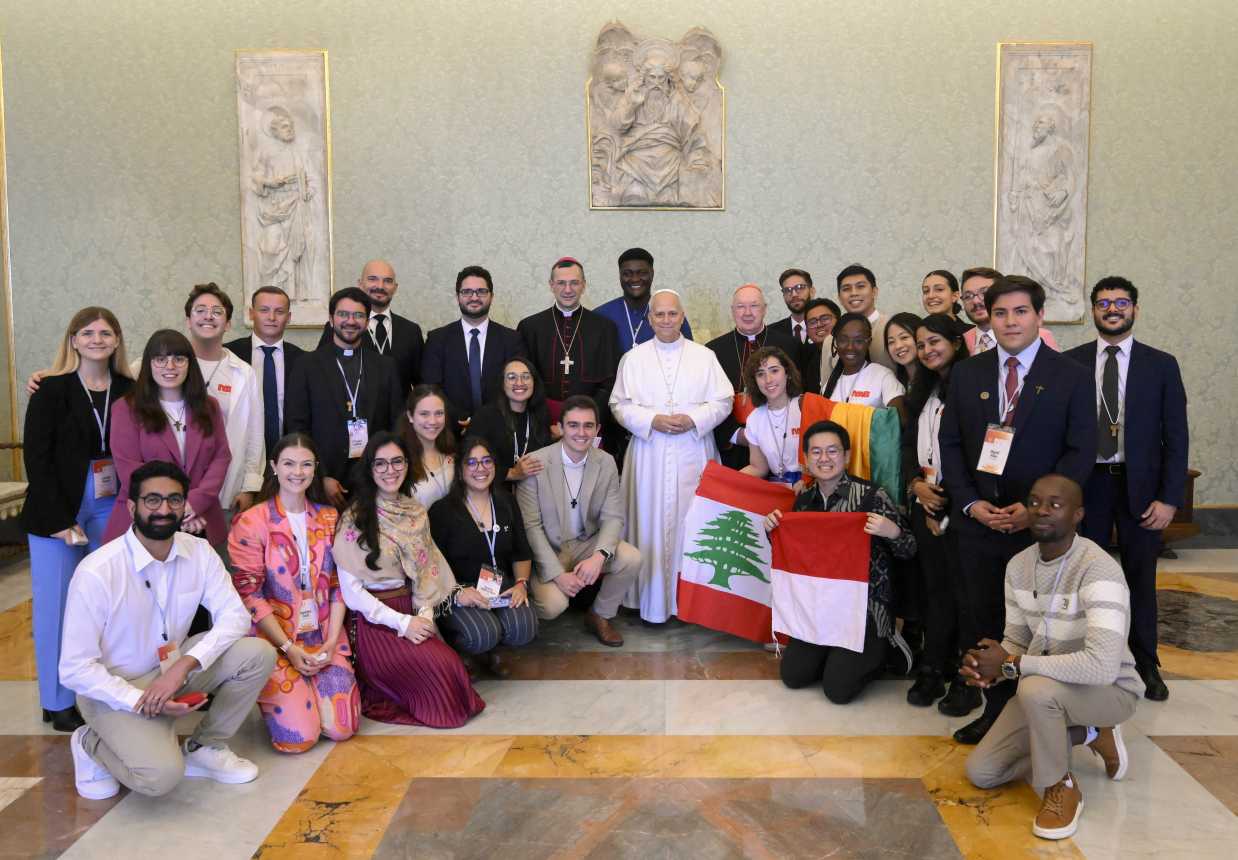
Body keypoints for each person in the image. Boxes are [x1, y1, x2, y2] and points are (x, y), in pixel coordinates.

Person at [939, 275, 1097, 745]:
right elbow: (950, 445)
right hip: (979, 524)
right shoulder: (969, 372)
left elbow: (1079, 451)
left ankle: (1048, 713)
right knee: (982, 617)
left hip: (1040, 531)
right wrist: (969, 503)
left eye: (1021, 312)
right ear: (988, 317)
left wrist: (1037, 511)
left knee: (1040, 624)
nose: (1011, 322)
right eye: (1001, 313)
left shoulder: (1069, 374)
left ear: (1039, 315)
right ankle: (995, 713)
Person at [60, 460, 276, 799]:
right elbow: (74, 670)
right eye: (153, 500)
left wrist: (181, 669)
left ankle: (206, 746)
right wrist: (140, 701)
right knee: (160, 778)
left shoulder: (199, 551)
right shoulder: (97, 572)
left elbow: (235, 616)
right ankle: (89, 742)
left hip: (171, 671)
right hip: (114, 689)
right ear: (132, 506)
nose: (164, 509)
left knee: (257, 653)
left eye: (174, 500)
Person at [962, 474, 1143, 842]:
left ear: (1078, 515)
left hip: (1110, 689)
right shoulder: (1018, 566)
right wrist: (989, 667)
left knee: (1035, 691)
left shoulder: (1099, 568)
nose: (1041, 510)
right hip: (1046, 689)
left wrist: (1013, 664)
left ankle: (1061, 787)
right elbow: (1017, 638)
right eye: (1034, 502)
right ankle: (1090, 733)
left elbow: (1102, 665)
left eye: (1055, 505)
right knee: (983, 772)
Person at [1065, 276, 1189, 702]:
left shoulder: (1161, 364)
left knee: (1140, 575)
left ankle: (1146, 662)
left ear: (1135, 309)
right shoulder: (1072, 361)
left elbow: (1176, 436)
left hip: (1141, 488)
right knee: (1086, 577)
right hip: (1088, 486)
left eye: (1121, 303)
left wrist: (1170, 497)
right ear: (1093, 310)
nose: (1112, 309)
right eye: (1103, 303)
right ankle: (1088, 656)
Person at [22, 307, 134, 732]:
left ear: (118, 340)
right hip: (59, 507)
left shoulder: (129, 388)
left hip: (112, 501)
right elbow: (38, 457)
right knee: (56, 605)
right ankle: (57, 700)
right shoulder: (50, 389)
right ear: (72, 340)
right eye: (87, 332)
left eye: (106, 332)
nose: (96, 339)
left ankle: (103, 692)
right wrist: (56, 520)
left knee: (108, 604)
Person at [333, 433, 484, 727]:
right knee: (440, 669)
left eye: (397, 461)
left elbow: (426, 573)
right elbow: (352, 595)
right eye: (381, 463)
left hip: (412, 609)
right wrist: (403, 624)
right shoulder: (354, 519)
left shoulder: (415, 511)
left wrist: (424, 618)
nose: (390, 470)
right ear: (370, 468)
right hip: (374, 621)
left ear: (407, 464)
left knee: (451, 668)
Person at [765, 421, 916, 703]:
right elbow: (795, 558)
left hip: (865, 611)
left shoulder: (872, 496)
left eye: (832, 451)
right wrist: (772, 529)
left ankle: (885, 647)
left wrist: (892, 531)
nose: (825, 458)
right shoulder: (804, 501)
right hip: (820, 608)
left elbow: (909, 549)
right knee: (794, 676)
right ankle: (833, 651)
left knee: (838, 690)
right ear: (806, 460)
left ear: (846, 456)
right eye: (817, 452)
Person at [227, 433, 359, 753]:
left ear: (315, 468)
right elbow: (249, 595)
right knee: (298, 739)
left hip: (323, 635)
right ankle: (285, 696)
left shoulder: (329, 518)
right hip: (275, 639)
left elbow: (338, 586)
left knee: (342, 728)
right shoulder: (251, 521)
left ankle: (308, 691)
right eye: (288, 463)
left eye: (305, 464)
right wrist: (287, 647)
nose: (297, 472)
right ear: (274, 466)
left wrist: (330, 641)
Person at [610, 289, 732, 623]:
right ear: (649, 319)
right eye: (659, 315)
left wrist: (693, 419)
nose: (666, 320)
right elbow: (619, 404)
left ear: (682, 316)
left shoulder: (704, 356)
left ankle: (690, 604)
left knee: (691, 525)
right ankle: (648, 602)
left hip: (692, 451)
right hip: (649, 453)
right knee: (647, 526)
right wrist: (652, 420)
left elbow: (724, 400)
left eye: (672, 314)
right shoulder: (632, 359)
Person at [516, 395, 641, 646]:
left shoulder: (605, 462)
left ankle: (600, 615)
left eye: (588, 426)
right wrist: (557, 575)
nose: (581, 433)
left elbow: (613, 516)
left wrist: (599, 556)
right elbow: (531, 527)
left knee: (632, 558)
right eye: (573, 425)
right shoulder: (535, 462)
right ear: (560, 428)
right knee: (552, 606)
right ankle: (520, 614)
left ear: (597, 429)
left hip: (586, 543)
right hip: (550, 548)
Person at [901, 314, 977, 713]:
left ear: (956, 341)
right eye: (922, 344)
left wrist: (942, 505)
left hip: (960, 508)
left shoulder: (973, 385)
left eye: (935, 342)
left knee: (965, 594)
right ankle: (934, 667)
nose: (928, 350)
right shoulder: (923, 390)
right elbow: (908, 447)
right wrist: (916, 486)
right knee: (934, 591)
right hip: (923, 500)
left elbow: (976, 454)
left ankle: (967, 678)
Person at [104, 330, 231, 545]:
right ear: (148, 364)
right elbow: (129, 469)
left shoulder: (209, 406)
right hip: (146, 519)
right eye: (160, 359)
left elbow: (221, 458)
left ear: (190, 364)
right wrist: (175, 507)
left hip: (200, 518)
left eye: (179, 359)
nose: (170, 367)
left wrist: (194, 503)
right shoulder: (126, 408)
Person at [429, 437, 538, 677]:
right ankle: (467, 651)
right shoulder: (442, 511)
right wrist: (458, 593)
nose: (481, 468)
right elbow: (432, 567)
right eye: (472, 463)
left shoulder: (506, 501)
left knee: (525, 628)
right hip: (459, 591)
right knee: (481, 634)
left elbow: (522, 551)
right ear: (460, 470)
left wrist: (521, 584)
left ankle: (494, 647)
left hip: (501, 585)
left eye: (487, 461)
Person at [287, 287, 404, 508]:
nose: (350, 321)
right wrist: (320, 476)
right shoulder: (306, 366)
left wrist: (385, 473)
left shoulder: (385, 367)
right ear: (331, 319)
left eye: (358, 315)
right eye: (343, 314)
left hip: (375, 480)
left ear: (367, 321)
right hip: (324, 482)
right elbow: (297, 427)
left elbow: (396, 425)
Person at [182, 283, 265, 516]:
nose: (209, 316)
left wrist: (249, 487)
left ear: (227, 323)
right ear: (188, 320)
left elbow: (254, 433)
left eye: (217, 312)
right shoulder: (169, 365)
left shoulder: (243, 372)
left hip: (228, 489)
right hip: (178, 490)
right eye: (200, 310)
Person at [705, 284, 801, 469]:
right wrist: (736, 435)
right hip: (734, 447)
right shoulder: (713, 351)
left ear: (765, 309)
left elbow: (798, 392)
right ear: (732, 311)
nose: (747, 312)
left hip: (784, 442)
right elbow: (708, 402)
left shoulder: (789, 345)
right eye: (740, 306)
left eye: (754, 306)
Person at [517, 257, 620, 429]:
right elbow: (524, 381)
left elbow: (609, 381)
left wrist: (588, 421)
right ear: (551, 285)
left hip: (590, 422)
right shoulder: (530, 327)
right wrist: (542, 421)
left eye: (574, 283)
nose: (567, 290)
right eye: (561, 283)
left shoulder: (604, 328)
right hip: (543, 422)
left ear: (584, 285)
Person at [420, 265, 527, 430]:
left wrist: (485, 420)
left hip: (500, 427)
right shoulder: (437, 339)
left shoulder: (512, 339)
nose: (474, 297)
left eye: (481, 291)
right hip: (450, 430)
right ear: (457, 297)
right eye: (467, 292)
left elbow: (516, 387)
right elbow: (432, 387)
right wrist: (457, 418)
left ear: (492, 296)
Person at [317, 259, 424, 395]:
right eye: (372, 279)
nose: (380, 286)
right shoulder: (340, 327)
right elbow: (321, 373)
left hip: (399, 414)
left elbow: (421, 384)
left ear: (395, 287)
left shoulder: (411, 330)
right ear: (360, 284)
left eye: (387, 281)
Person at [224, 285, 307, 458]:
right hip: (238, 454)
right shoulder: (228, 355)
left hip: (289, 456)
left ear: (289, 317)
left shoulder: (304, 360)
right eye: (264, 310)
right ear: (251, 313)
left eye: (279, 311)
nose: (271, 317)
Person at [467, 357, 553, 486]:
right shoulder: (484, 416)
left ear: (534, 382)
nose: (519, 382)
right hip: (492, 491)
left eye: (526, 377)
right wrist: (513, 473)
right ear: (502, 383)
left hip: (532, 491)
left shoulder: (540, 415)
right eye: (512, 377)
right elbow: (470, 462)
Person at [594, 248, 692, 353]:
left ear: (652, 273)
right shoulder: (601, 315)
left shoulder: (671, 316)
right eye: (627, 274)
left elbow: (688, 354)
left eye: (642, 273)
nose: (635, 279)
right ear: (620, 276)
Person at [822, 313, 906, 418]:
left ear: (869, 342)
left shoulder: (883, 376)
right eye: (843, 340)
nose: (850, 347)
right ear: (836, 343)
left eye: (858, 341)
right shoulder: (829, 384)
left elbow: (898, 419)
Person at [960, 266, 1059, 354]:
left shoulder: (1040, 336)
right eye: (968, 296)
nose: (976, 301)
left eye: (984, 293)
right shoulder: (962, 339)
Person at [398, 385, 457, 508]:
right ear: (410, 416)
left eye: (439, 413)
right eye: (424, 414)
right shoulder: (400, 459)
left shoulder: (451, 451)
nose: (433, 421)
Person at [835, 264, 895, 370]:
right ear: (839, 297)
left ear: (874, 292)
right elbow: (828, 383)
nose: (854, 293)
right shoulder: (832, 338)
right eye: (846, 289)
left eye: (860, 286)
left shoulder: (892, 327)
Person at [801, 297, 842, 395]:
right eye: (812, 322)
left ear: (839, 321)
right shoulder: (808, 360)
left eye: (825, 319)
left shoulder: (849, 353)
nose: (819, 325)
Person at [770, 268, 815, 345]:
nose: (794, 294)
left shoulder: (825, 327)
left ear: (812, 291)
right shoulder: (771, 332)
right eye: (787, 290)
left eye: (800, 287)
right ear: (783, 296)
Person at [920, 270, 970, 334]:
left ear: (954, 296)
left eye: (939, 289)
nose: (930, 296)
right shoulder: (916, 333)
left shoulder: (972, 334)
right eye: (926, 291)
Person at [884, 311, 923, 391]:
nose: (898, 346)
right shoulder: (894, 383)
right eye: (891, 342)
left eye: (904, 337)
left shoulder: (937, 381)